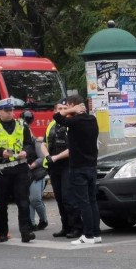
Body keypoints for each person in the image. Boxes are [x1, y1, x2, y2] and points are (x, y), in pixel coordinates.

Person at [53, 95, 101, 245]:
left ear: (74, 105)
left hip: (78, 167)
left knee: (84, 202)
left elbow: (57, 117)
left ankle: (87, 235)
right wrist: (74, 109)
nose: (66, 109)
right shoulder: (92, 119)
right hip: (92, 166)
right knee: (92, 201)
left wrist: (71, 110)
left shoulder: (75, 121)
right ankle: (96, 233)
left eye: (68, 106)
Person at [0, 98, 36, 242]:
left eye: (12, 110)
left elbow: (30, 145)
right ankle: (2, 233)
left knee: (23, 201)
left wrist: (26, 153)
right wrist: (0, 152)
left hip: (20, 168)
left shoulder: (22, 125)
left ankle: (26, 232)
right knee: (1, 203)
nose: (10, 113)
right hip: (2, 170)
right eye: (7, 111)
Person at [43, 99, 83, 238]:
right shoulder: (51, 125)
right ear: (54, 111)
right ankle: (65, 226)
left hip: (68, 164)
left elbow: (73, 148)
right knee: (59, 198)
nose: (62, 111)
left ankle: (77, 227)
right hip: (54, 166)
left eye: (64, 108)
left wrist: (56, 157)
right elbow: (43, 143)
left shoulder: (71, 124)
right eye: (59, 108)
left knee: (68, 197)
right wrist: (48, 156)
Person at [21, 110, 49, 231]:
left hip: (36, 173)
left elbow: (42, 157)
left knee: (35, 199)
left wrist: (32, 165)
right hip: (23, 173)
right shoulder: (16, 141)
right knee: (28, 199)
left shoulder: (35, 141)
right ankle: (31, 223)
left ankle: (43, 220)